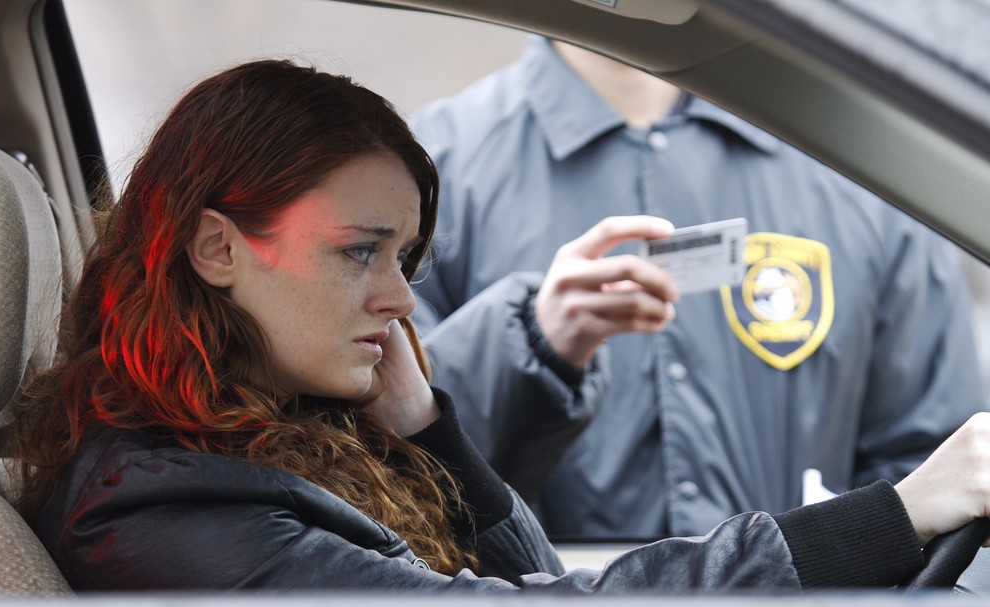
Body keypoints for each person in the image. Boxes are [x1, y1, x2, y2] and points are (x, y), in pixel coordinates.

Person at [0, 58, 990, 593]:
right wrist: (895, 515)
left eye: (406, 260)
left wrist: (430, 428)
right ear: (218, 249)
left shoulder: (249, 449)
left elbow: (525, 598)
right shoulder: (167, 507)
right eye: (359, 252)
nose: (398, 299)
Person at [409, 36, 987, 539]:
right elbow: (389, 467)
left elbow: (939, 466)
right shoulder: (435, 168)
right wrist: (533, 347)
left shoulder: (855, 164)